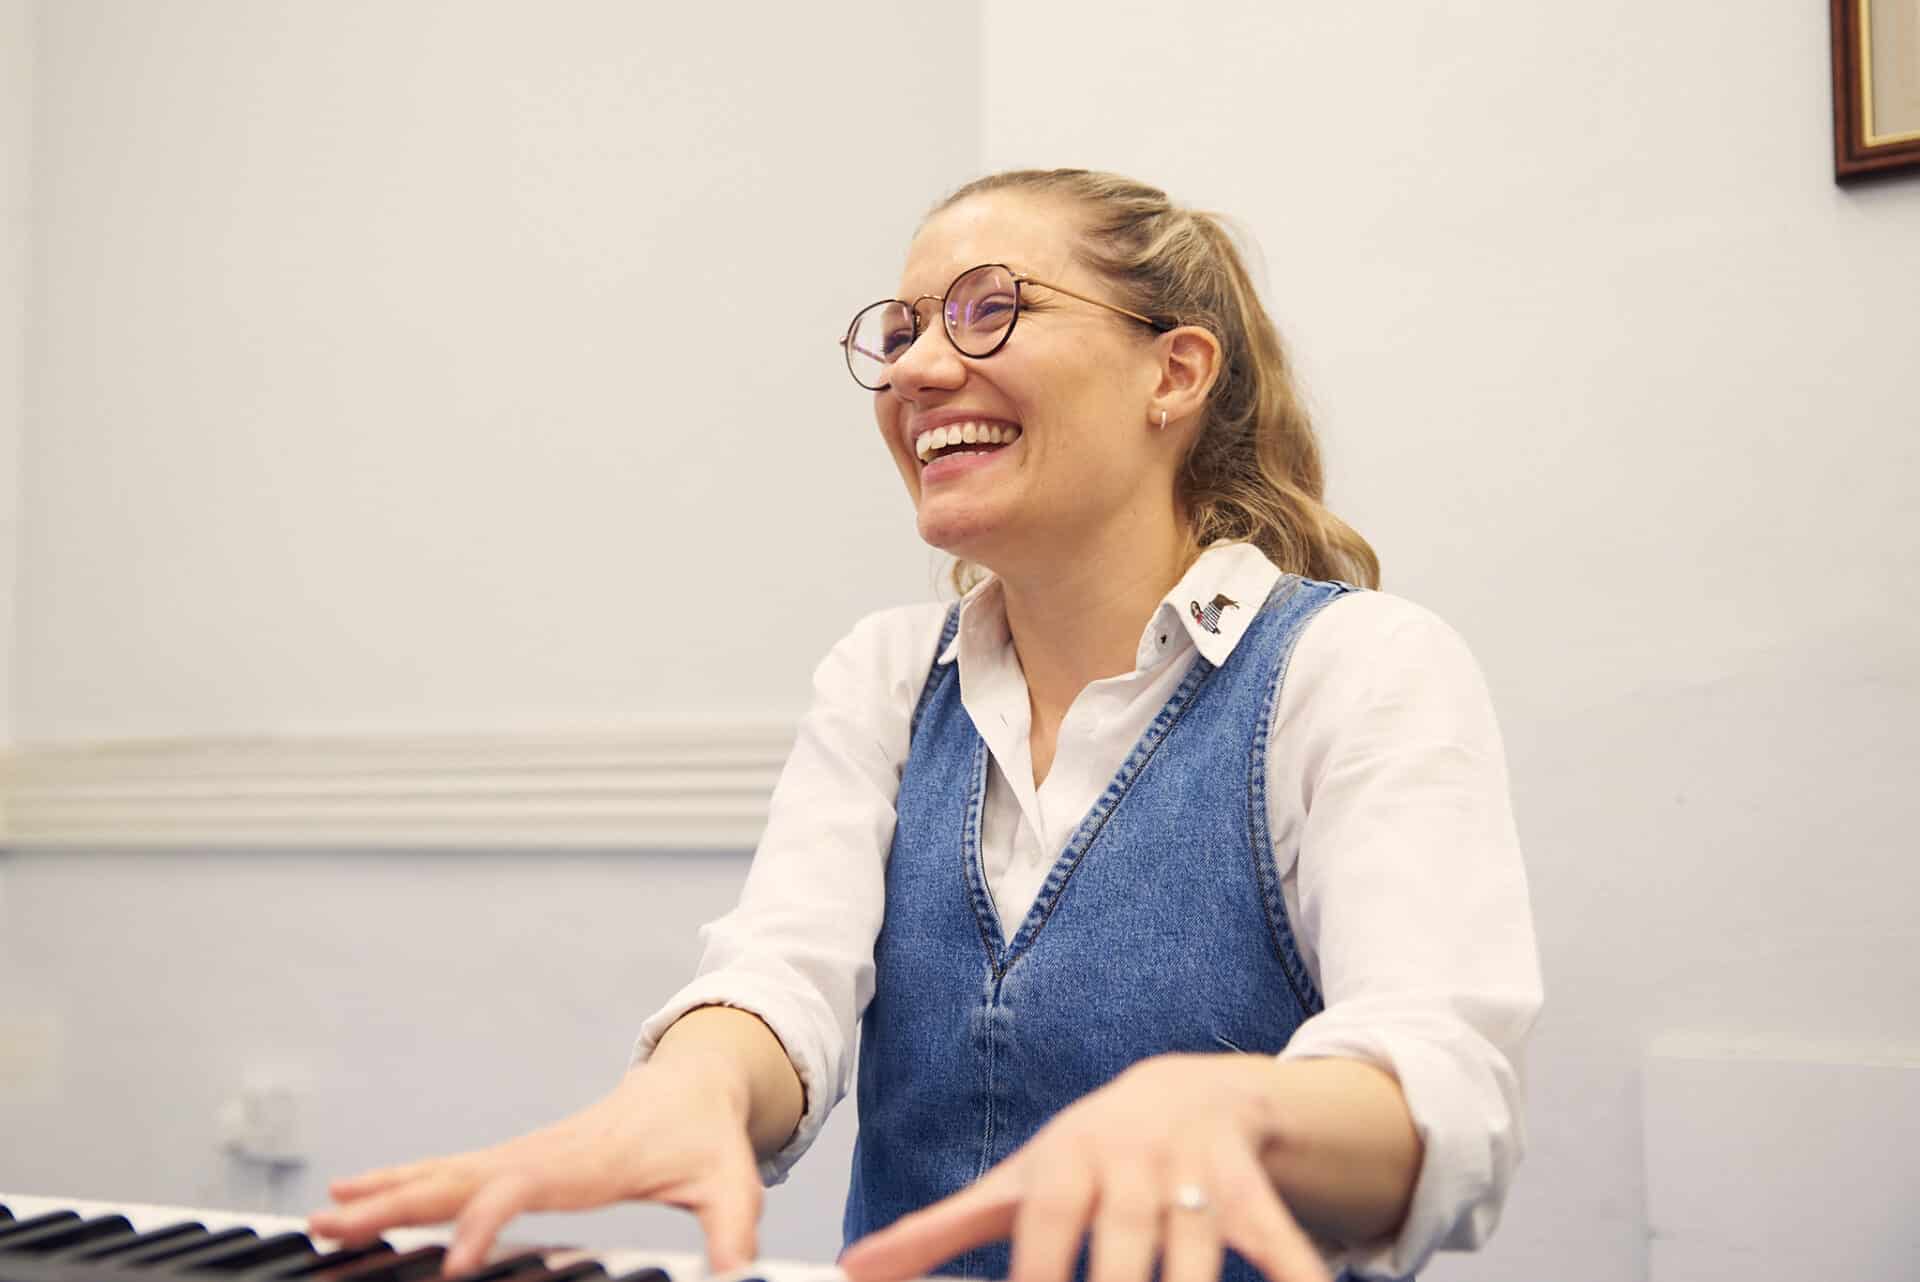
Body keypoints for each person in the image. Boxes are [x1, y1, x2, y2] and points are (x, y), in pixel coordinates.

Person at [310, 169, 1542, 1282]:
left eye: (987, 311)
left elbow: (1442, 1079)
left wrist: (1239, 1109)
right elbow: (781, 975)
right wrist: (691, 1081)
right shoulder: (888, 677)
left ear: (1173, 371)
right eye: (898, 334)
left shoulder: (1359, 667)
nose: (912, 371)